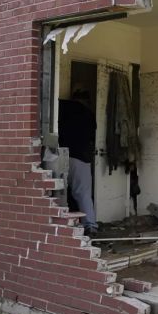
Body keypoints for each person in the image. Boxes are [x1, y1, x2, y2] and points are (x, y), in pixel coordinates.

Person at [58, 88, 99, 236]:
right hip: (81, 158)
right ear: (87, 101)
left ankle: (61, 224)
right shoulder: (88, 114)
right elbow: (92, 136)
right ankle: (90, 225)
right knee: (83, 193)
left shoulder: (62, 107)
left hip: (60, 155)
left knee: (59, 191)